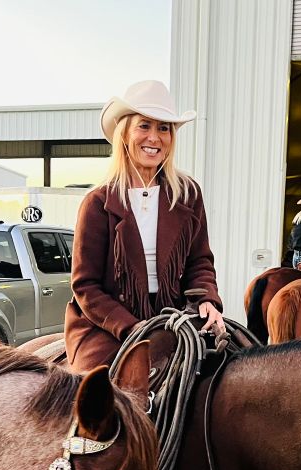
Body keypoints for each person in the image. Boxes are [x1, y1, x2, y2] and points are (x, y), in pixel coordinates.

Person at [65, 80, 224, 372]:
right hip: (109, 323)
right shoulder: (98, 202)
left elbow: (199, 261)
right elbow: (85, 286)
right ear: (124, 133)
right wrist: (132, 327)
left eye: (164, 128)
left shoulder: (188, 193)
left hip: (172, 315)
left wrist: (206, 298)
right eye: (144, 126)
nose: (154, 137)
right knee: (97, 400)